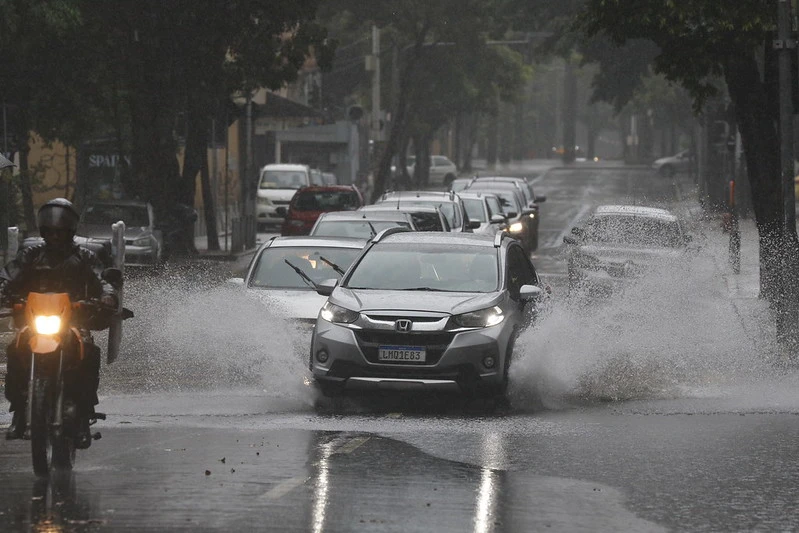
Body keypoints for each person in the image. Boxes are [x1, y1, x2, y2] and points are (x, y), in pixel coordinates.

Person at [0, 198, 118, 448]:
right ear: (43, 231)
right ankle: (19, 411)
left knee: (89, 351)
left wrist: (106, 296)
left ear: (70, 231)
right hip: (36, 320)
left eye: (60, 231)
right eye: (50, 231)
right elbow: (10, 275)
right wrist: (4, 291)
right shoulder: (31, 253)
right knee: (15, 348)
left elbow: (102, 279)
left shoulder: (84, 257)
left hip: (73, 320)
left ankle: (84, 415)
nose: (55, 236)